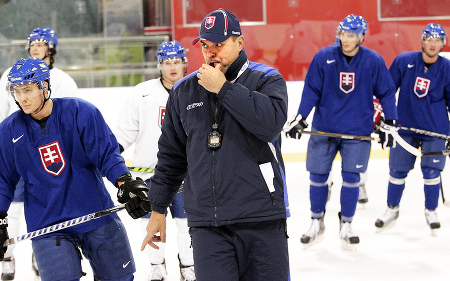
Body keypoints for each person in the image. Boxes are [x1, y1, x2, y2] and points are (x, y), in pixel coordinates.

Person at [141, 9, 290, 281]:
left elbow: (269, 125)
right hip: (208, 226)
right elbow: (172, 157)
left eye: (219, 45)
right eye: (205, 46)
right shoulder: (184, 90)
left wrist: (224, 89)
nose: (211, 53)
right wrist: (158, 208)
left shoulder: (267, 79)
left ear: (240, 43)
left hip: (261, 219)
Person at [0, 56, 151, 281]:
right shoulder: (7, 131)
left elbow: (107, 155)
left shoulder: (80, 112)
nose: (22, 98)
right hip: (47, 225)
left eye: (27, 90)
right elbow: (3, 180)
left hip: (95, 214)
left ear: (45, 86)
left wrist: (125, 183)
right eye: (17, 92)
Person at [0, 27, 77, 280]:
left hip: (47, 160)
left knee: (46, 209)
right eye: (32, 42)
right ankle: (8, 257)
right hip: (16, 157)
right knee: (10, 210)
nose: (35, 46)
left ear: (52, 48)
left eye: (41, 43)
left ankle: (41, 253)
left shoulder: (64, 81)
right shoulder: (10, 77)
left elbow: (70, 122)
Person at [284, 14, 398, 248]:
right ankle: (317, 221)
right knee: (317, 177)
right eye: (343, 34)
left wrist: (391, 122)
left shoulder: (373, 61)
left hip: (358, 131)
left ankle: (346, 223)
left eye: (351, 35)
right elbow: (312, 90)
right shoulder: (324, 57)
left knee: (352, 179)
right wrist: (301, 117)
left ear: (361, 37)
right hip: (324, 129)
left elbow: (386, 92)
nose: (345, 39)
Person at [114, 40, 195, 281]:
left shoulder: (195, 90)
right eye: (167, 62)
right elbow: (126, 130)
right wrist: (112, 152)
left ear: (184, 64)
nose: (172, 67)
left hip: (186, 174)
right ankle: (157, 265)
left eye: (177, 62)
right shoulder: (143, 92)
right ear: (159, 65)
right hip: (149, 176)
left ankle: (188, 265)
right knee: (149, 222)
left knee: (186, 223)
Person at [375, 23, 450, 235]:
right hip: (404, 129)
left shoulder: (447, 68)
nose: (433, 44)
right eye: (429, 39)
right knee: (397, 172)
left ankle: (431, 211)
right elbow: (387, 92)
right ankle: (392, 209)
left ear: (443, 43)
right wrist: (383, 119)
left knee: (431, 172)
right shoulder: (404, 61)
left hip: (435, 130)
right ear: (422, 41)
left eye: (438, 40)